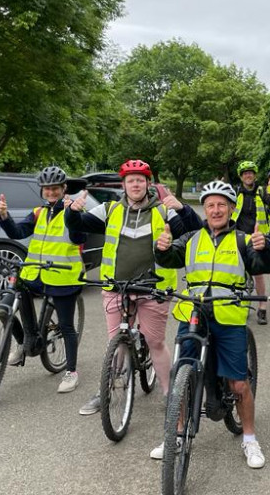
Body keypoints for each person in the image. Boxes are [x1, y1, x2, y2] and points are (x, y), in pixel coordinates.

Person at [64, 159, 202, 418]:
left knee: (155, 342)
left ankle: (168, 393)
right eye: (130, 180)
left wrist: (183, 210)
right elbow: (77, 224)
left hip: (154, 289)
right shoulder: (110, 209)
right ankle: (108, 388)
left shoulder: (163, 211)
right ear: (124, 185)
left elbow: (196, 232)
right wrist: (72, 211)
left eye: (140, 179)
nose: (135, 184)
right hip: (117, 287)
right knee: (116, 343)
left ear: (147, 184)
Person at [154, 180, 270, 468]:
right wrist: (162, 248)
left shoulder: (243, 240)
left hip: (228, 315)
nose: (216, 209)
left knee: (238, 384)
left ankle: (249, 438)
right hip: (193, 314)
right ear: (204, 209)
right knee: (182, 373)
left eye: (222, 204)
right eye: (210, 205)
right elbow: (170, 258)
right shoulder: (192, 238)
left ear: (231, 209)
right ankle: (178, 433)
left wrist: (265, 249)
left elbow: (262, 266)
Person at [0, 166, 85, 393]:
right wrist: (4, 216)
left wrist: (73, 214)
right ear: (42, 191)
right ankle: (25, 341)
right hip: (34, 273)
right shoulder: (38, 212)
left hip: (64, 276)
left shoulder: (73, 211)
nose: (51, 193)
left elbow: (78, 237)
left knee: (66, 326)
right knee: (6, 302)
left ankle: (71, 372)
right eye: (47, 189)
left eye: (55, 188)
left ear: (64, 189)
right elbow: (17, 232)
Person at [232, 160, 270, 324]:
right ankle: (241, 303)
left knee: (258, 274)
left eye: (251, 172)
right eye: (245, 173)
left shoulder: (262, 191)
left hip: (256, 236)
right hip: (238, 235)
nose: (248, 175)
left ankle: (262, 307)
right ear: (241, 177)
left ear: (255, 175)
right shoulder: (235, 192)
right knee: (237, 272)